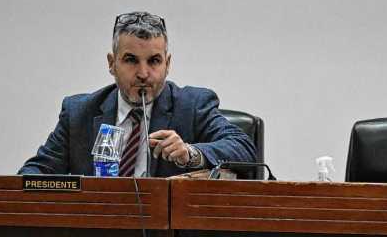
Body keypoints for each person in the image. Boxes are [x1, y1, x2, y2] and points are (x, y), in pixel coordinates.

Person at [18, 12, 256, 177]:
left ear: (168, 64)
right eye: (131, 60)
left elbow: (244, 148)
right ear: (112, 63)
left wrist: (191, 153)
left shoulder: (192, 105)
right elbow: (34, 174)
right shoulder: (79, 112)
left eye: (154, 61)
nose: (143, 73)